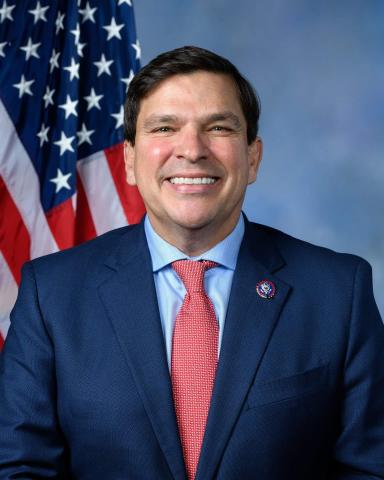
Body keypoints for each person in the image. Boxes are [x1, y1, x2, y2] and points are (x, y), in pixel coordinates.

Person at [0, 46, 383, 480]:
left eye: (218, 127)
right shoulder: (51, 294)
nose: (192, 150)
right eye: (165, 127)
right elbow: (20, 469)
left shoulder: (338, 292)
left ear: (252, 157)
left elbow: (369, 469)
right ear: (128, 160)